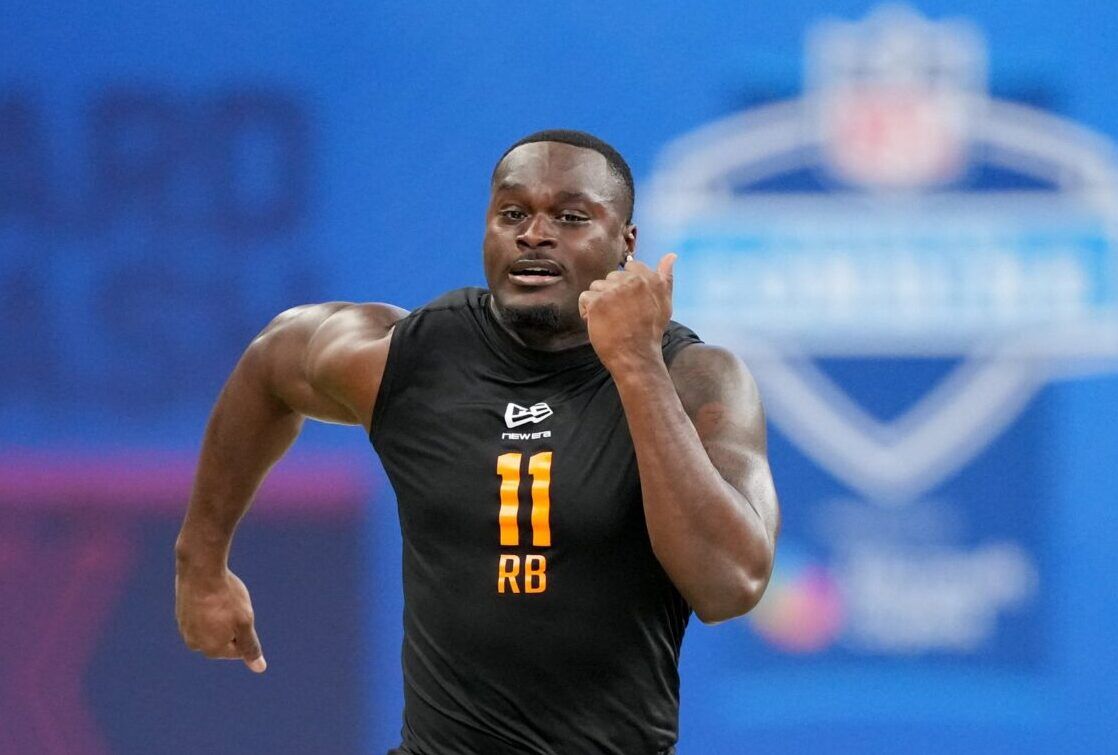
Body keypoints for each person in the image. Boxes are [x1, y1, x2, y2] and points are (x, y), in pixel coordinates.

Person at [174, 129, 780, 754]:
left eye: (571, 217)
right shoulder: (412, 359)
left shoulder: (691, 379)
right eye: (512, 213)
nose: (534, 234)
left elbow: (729, 586)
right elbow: (273, 361)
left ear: (626, 242)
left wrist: (636, 366)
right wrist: (201, 563)